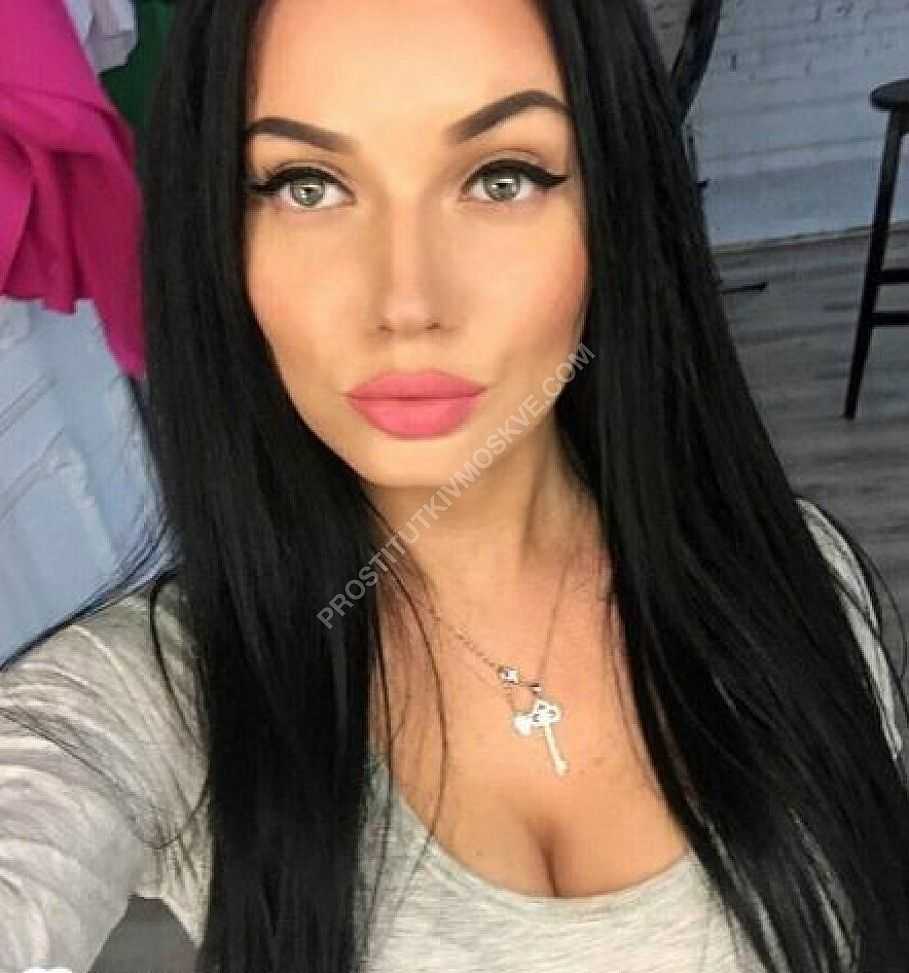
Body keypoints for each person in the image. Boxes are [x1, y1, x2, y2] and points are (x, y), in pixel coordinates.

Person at [2, 1, 908, 971]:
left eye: (500, 177)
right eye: (308, 185)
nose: (407, 301)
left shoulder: (801, 576)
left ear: (614, 206)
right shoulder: (156, 697)